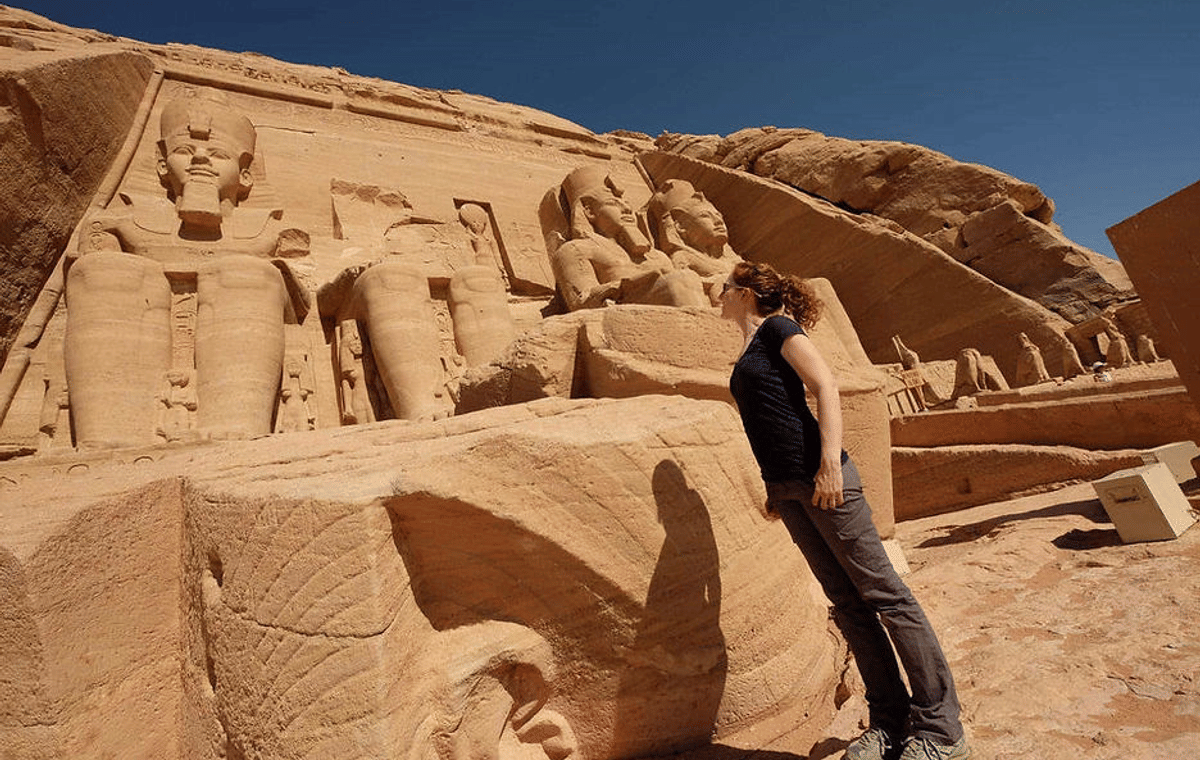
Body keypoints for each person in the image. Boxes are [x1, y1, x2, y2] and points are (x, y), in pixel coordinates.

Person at [718, 261, 970, 760]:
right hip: (789, 488)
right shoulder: (748, 347)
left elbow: (826, 386)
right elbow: (766, 420)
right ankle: (889, 721)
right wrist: (775, 487)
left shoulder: (778, 329)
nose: (716, 294)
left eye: (723, 287)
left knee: (887, 596)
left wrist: (829, 464)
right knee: (849, 604)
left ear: (744, 294)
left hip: (823, 481)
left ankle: (943, 729)